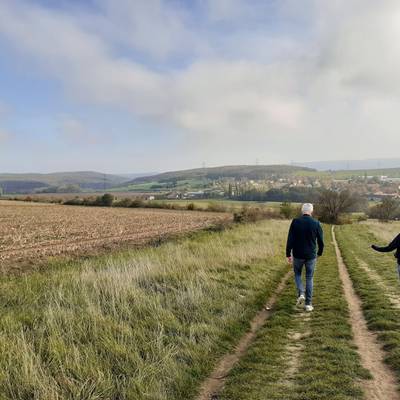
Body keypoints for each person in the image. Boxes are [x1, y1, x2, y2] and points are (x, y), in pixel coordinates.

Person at [286, 203, 324, 312]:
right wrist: (319, 253)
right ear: (311, 211)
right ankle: (308, 304)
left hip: (297, 254)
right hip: (311, 255)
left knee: (297, 274)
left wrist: (288, 254)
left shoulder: (295, 222)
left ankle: (301, 293)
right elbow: (321, 241)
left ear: (302, 211)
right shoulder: (316, 223)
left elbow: (290, 239)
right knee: (309, 278)